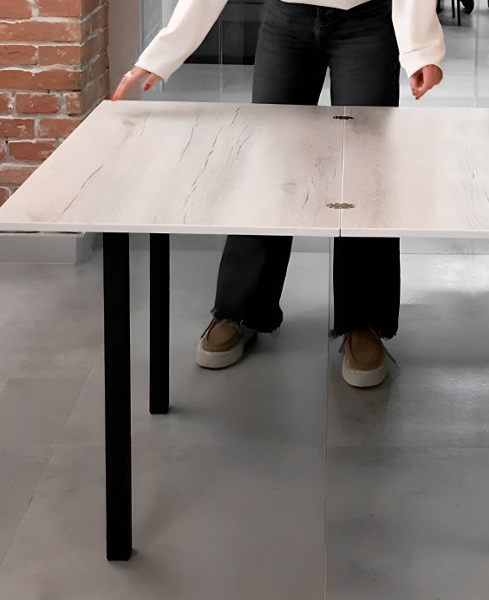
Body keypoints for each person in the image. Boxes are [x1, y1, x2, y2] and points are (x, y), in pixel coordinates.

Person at [112, 0, 445, 388]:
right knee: (269, 165)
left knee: (365, 167)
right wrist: (167, 49)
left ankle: (363, 321)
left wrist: (421, 47)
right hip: (287, 20)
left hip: (368, 22)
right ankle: (240, 309)